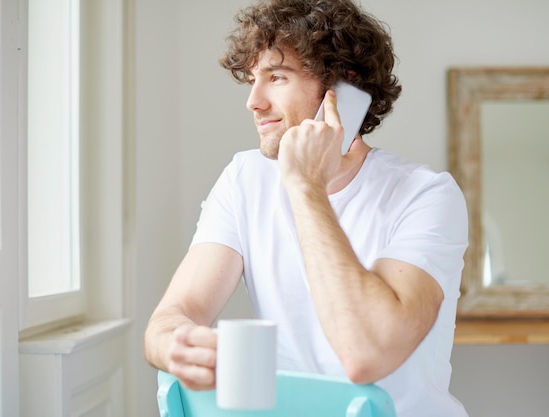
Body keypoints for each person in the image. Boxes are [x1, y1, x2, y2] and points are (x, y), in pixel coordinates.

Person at [144, 0, 469, 415]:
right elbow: (172, 314)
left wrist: (305, 186)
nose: (254, 102)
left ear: (344, 89)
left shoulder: (426, 195)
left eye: (276, 76)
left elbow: (365, 354)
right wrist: (176, 343)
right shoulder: (244, 179)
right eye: (251, 79)